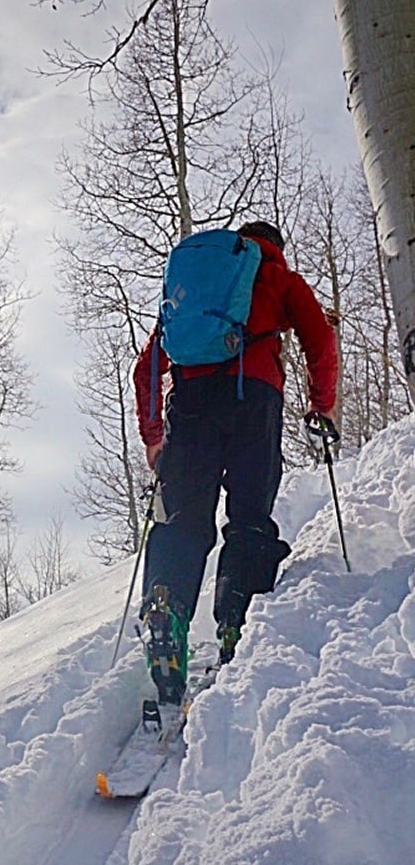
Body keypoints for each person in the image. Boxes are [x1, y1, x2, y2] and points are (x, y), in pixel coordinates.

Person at [133, 219, 339, 703]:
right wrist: (321, 405)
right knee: (248, 517)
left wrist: (154, 437)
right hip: (255, 402)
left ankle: (166, 603)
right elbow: (319, 338)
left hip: (190, 403)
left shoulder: (195, 287)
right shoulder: (277, 278)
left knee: (183, 521)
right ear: (276, 247)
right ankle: (235, 618)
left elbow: (147, 368)